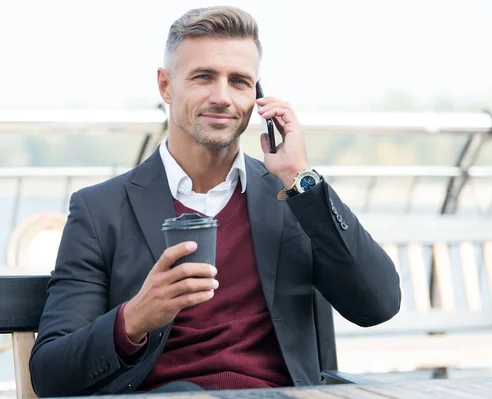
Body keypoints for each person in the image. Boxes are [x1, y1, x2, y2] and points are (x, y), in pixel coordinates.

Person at [29, 6, 401, 397]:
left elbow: (378, 305)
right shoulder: (100, 210)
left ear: (257, 96)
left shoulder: (293, 198)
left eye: (239, 81)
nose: (222, 97)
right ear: (165, 85)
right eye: (204, 77)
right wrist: (135, 318)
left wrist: (299, 178)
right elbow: (51, 374)